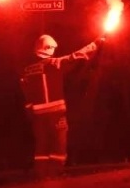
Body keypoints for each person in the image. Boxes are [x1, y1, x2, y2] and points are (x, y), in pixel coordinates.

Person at [19, 33, 105, 176]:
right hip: (56, 114)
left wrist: (30, 111)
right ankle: (56, 174)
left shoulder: (27, 71)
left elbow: (25, 94)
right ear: (48, 48)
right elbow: (77, 56)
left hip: (38, 116)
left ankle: (41, 176)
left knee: (41, 146)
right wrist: (96, 43)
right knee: (58, 145)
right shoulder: (56, 63)